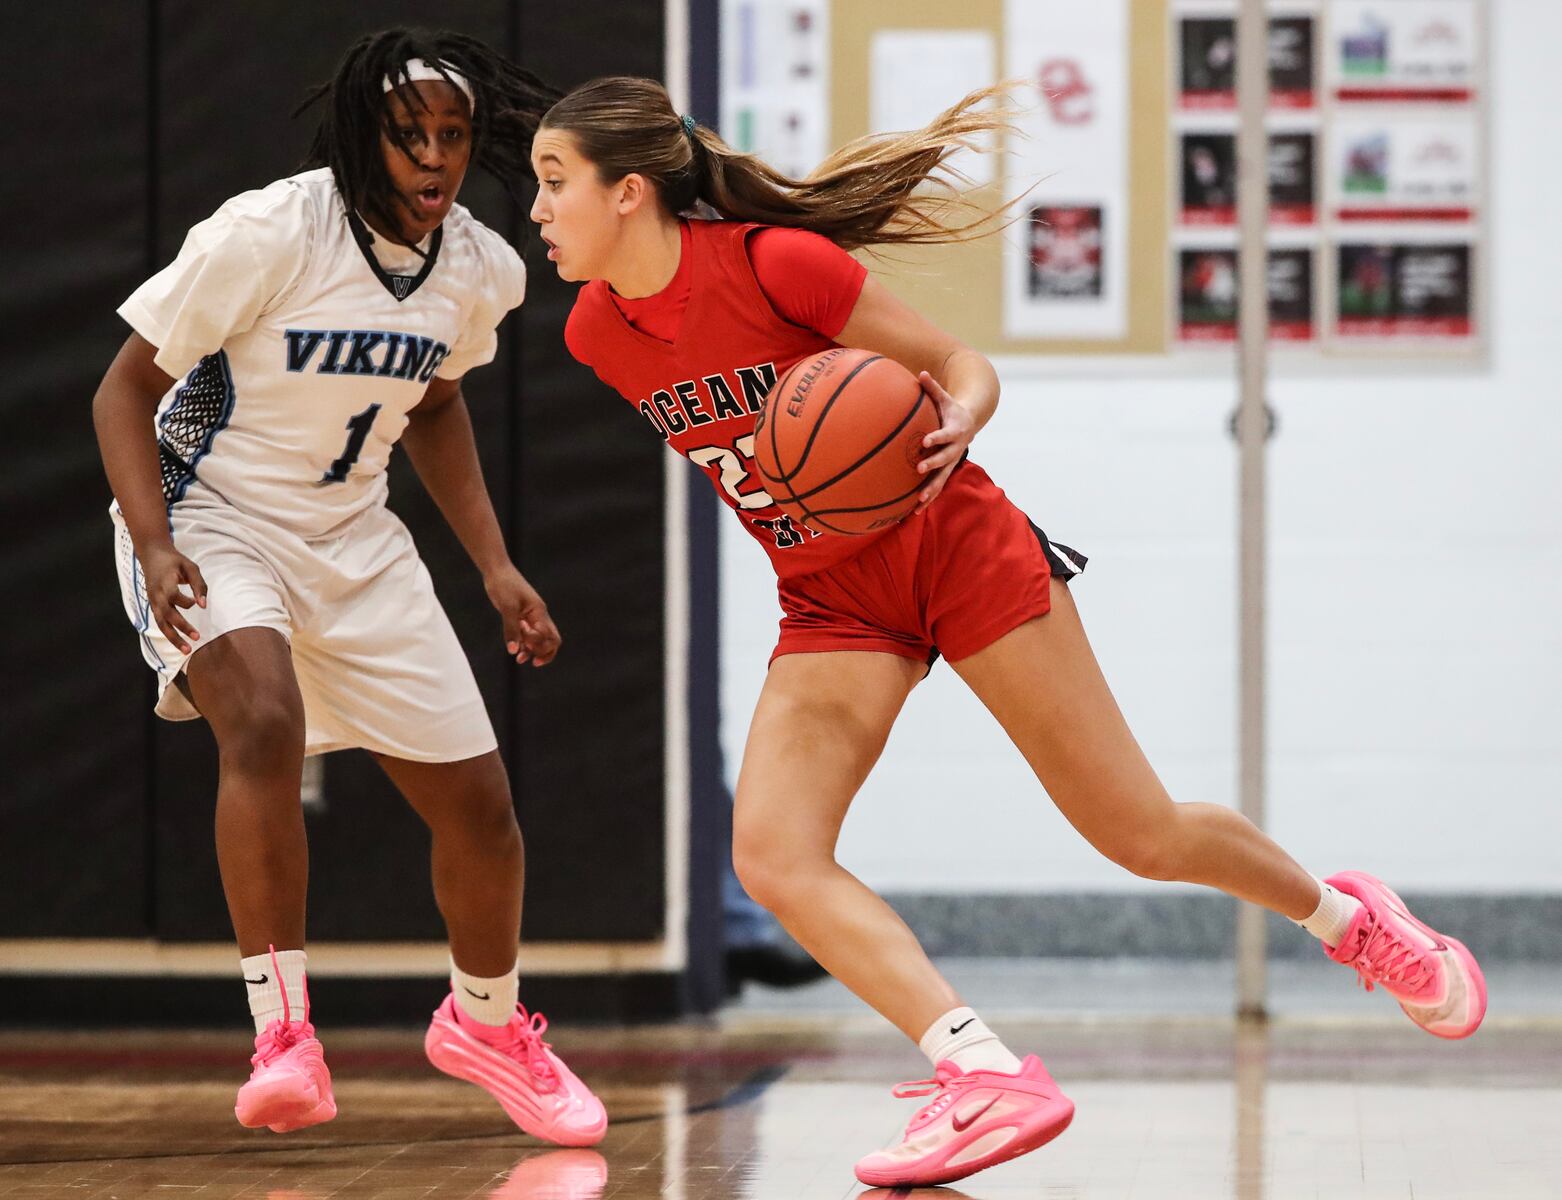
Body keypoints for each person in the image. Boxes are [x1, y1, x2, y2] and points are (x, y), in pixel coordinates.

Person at [525, 77, 1488, 1188]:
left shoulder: (770, 263)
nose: (539, 209)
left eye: (556, 184)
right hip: (831, 595)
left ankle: (1348, 919)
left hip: (954, 542)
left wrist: (957, 418)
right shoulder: (598, 332)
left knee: (1135, 830)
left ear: (630, 191)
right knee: (775, 854)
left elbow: (959, 365)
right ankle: (979, 1071)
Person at [91, 28, 604, 1145]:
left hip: (354, 538)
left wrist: (495, 565)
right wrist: (153, 539)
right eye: (409, 134)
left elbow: (435, 403)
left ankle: (487, 1025)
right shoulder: (269, 232)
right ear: (360, 139)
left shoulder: (478, 266)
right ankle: (284, 1037)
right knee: (263, 724)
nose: (433, 158)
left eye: (452, 137)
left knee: (482, 815)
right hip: (206, 513)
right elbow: (121, 393)